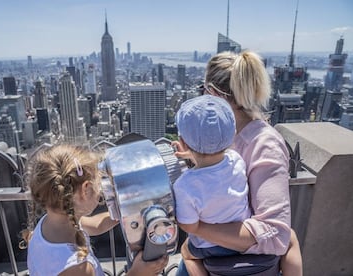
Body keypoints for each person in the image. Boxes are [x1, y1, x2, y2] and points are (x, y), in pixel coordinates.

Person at [173, 50, 302, 276]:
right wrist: (195, 155)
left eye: (203, 92)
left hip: (227, 264)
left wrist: (201, 230)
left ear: (213, 93)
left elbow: (276, 235)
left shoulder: (265, 144)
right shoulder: (228, 137)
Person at [24, 144, 169, 276]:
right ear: (85, 190)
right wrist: (138, 273)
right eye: (99, 184)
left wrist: (127, 209)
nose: (101, 191)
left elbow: (96, 224)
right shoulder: (77, 268)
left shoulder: (52, 223)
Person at [174, 95, 251, 276]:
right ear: (232, 134)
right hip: (239, 242)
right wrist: (193, 155)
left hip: (208, 248)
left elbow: (189, 226)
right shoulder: (237, 160)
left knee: (187, 255)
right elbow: (214, 171)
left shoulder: (184, 185)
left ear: (183, 142)